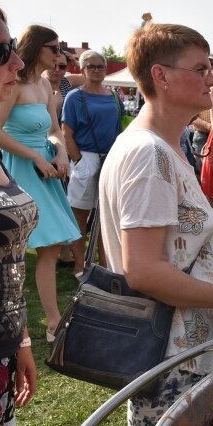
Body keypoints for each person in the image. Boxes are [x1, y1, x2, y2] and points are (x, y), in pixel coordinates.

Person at [99, 22, 213, 426]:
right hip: (169, 358)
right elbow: (143, 270)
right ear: (161, 76)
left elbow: (172, 253)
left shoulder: (163, 146)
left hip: (179, 351)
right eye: (201, 68)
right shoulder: (147, 154)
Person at [0, 25, 81, 341]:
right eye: (54, 48)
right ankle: (33, 321)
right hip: (21, 167)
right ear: (36, 48)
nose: (60, 56)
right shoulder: (13, 84)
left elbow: (55, 129)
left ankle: (51, 321)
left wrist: (60, 152)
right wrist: (35, 157)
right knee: (20, 247)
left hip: (47, 168)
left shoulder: (46, 85)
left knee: (51, 247)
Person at [0, 4, 38, 426]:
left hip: (4, 350)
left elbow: (10, 262)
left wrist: (22, 337)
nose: (18, 61)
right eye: (1, 52)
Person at [62, 49, 123, 278]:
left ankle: (106, 266)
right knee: (80, 214)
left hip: (110, 158)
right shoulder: (75, 97)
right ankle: (80, 265)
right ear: (83, 69)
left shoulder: (114, 96)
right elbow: (67, 132)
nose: (96, 70)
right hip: (85, 156)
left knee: (106, 214)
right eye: (91, 66)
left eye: (100, 66)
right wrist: (78, 161)